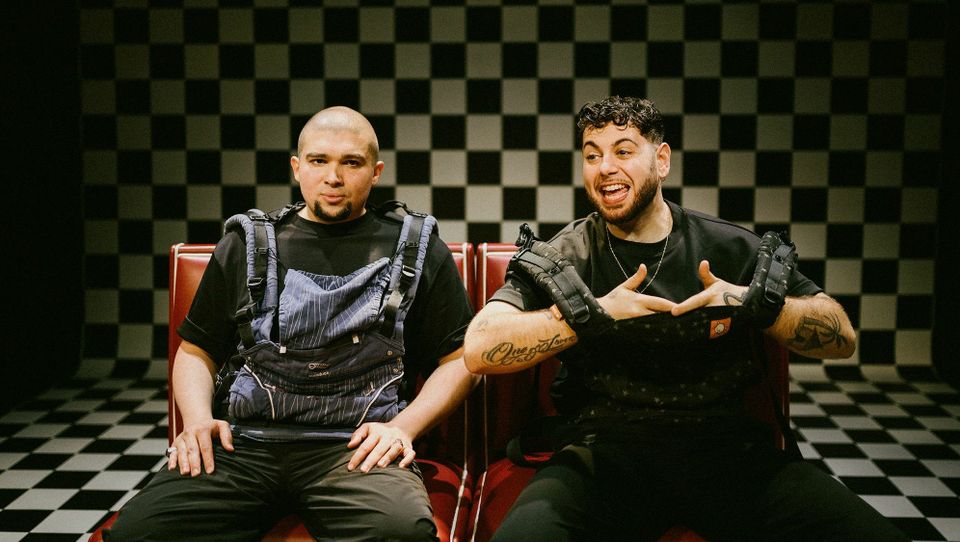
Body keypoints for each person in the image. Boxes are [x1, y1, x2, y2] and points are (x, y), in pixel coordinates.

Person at [463, 96, 908, 542]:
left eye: (623, 151)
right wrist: (589, 314)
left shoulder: (729, 248)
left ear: (661, 160)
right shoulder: (566, 255)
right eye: (592, 155)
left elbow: (841, 336)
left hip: (726, 455)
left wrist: (751, 301)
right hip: (605, 456)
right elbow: (480, 347)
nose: (605, 168)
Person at [107, 106, 478, 541]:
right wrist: (197, 420)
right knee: (137, 533)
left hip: (355, 448)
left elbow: (461, 361)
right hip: (244, 444)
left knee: (404, 533)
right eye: (319, 161)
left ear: (375, 172)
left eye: (351, 163)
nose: (333, 177)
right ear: (297, 168)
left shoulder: (415, 248)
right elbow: (196, 352)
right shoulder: (247, 245)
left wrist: (402, 427)